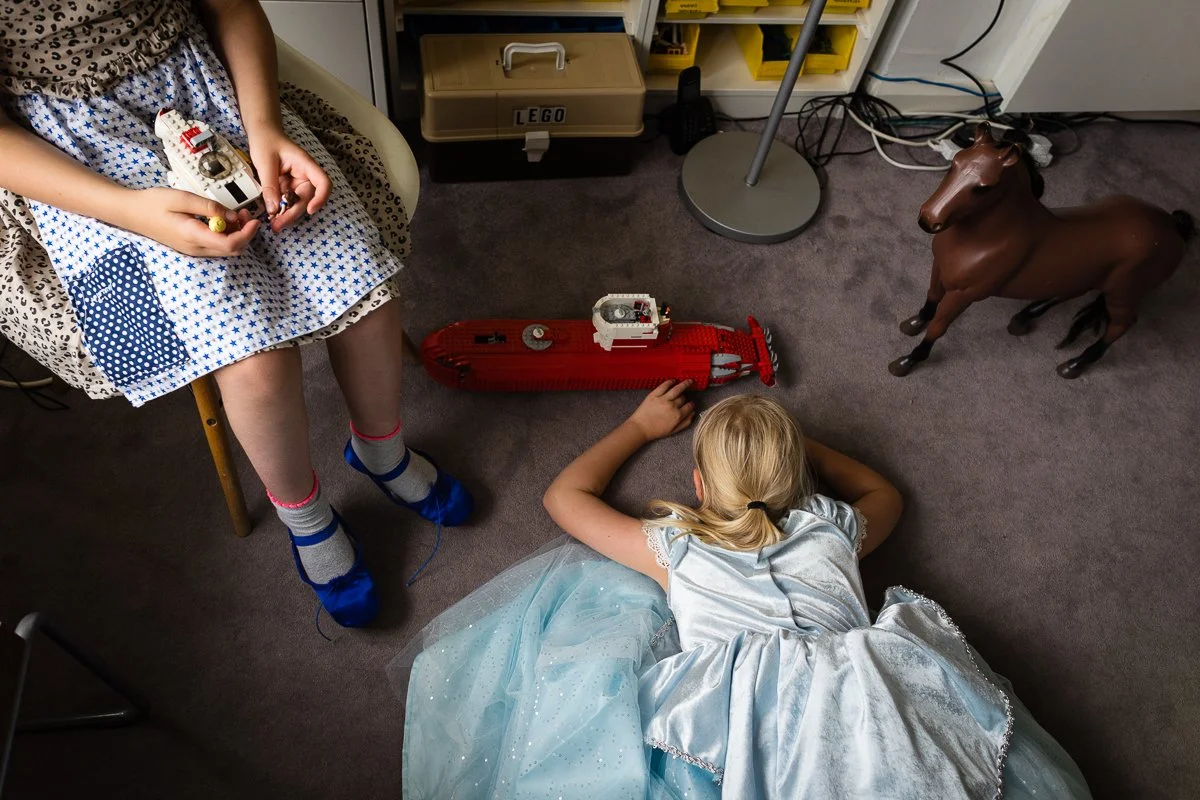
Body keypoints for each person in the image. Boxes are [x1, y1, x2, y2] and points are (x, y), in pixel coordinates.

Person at [0, 1, 473, 627]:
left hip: (209, 91)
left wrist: (267, 127)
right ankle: (306, 521)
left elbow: (232, 5)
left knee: (366, 303)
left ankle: (380, 453)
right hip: (79, 160)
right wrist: (132, 211)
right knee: (251, 360)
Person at [393, 382, 1091, 798]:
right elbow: (887, 492)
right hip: (863, 685)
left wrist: (638, 425)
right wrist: (801, 446)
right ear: (802, 483)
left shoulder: (677, 546)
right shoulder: (832, 527)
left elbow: (564, 496)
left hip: (745, 710)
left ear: (698, 488)